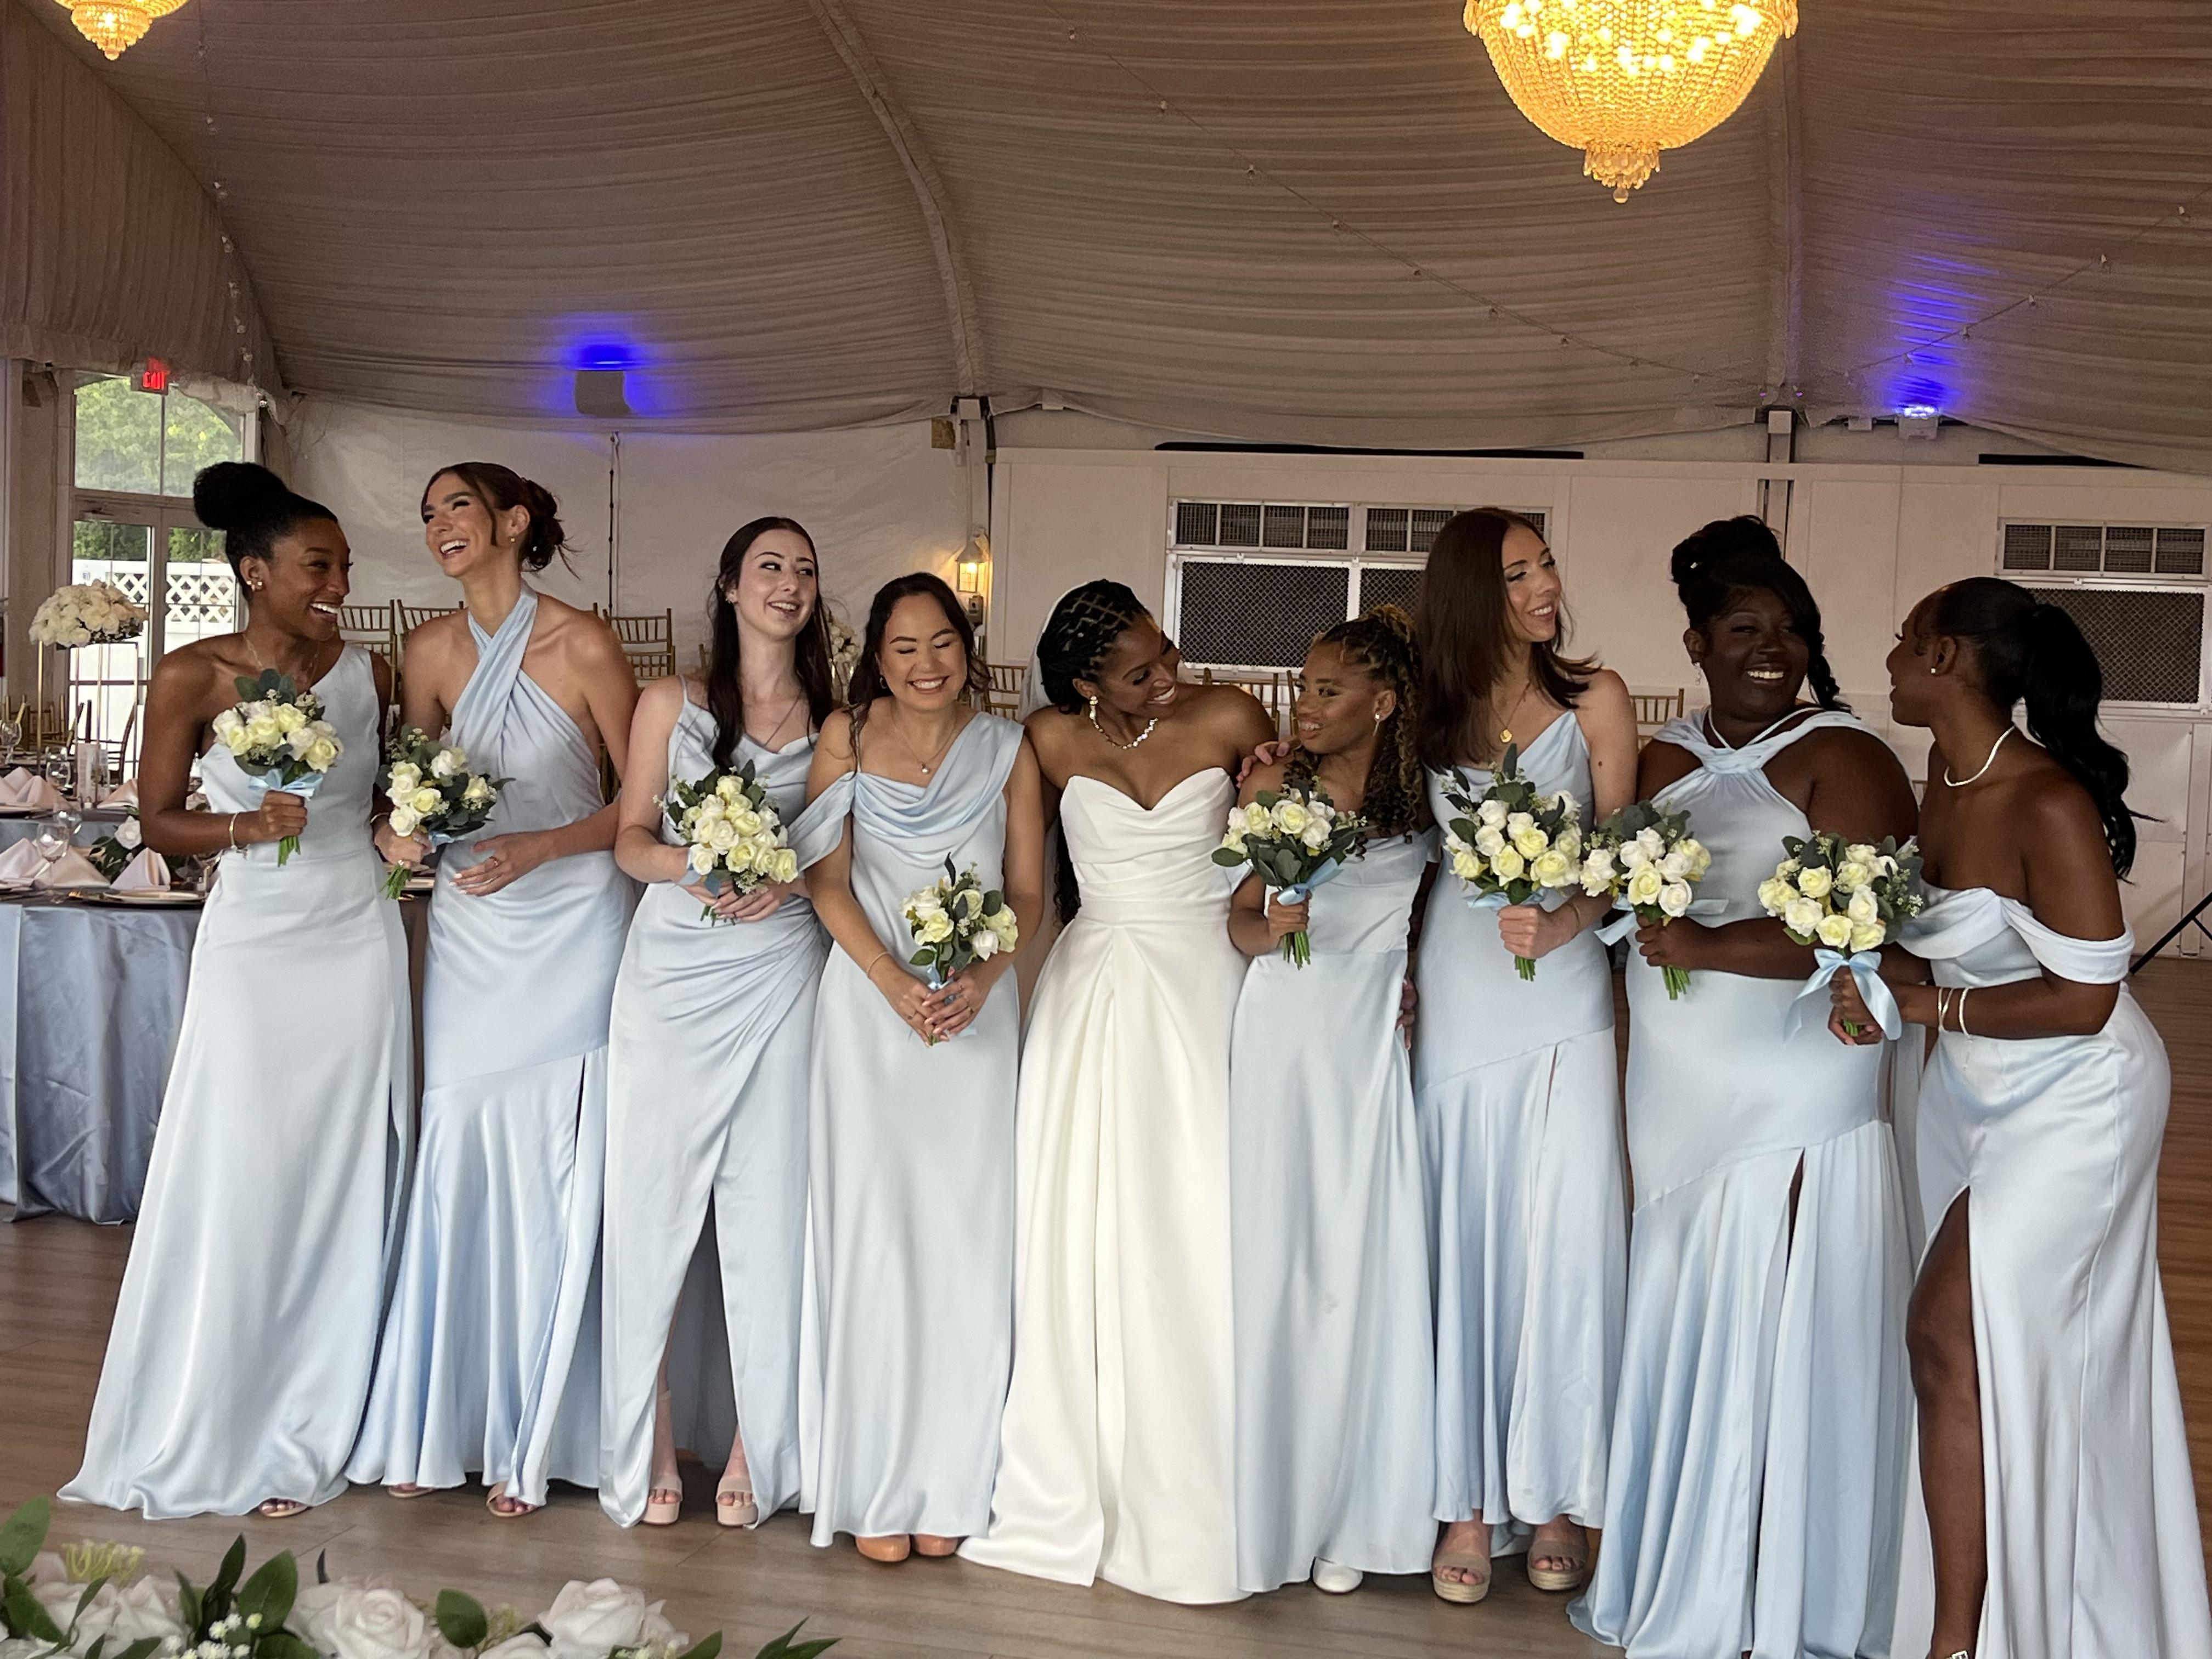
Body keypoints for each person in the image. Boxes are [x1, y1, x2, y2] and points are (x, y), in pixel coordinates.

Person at [1831, 577, 2212, 1659]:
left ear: (1947, 657)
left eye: (1905, 640)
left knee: (1944, 1333)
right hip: (1973, 1093)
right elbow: (1956, 947)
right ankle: (1984, 1618)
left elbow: (2087, 997)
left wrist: (1926, 1008)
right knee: (1974, 1351)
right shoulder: (1940, 779)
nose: (1890, 658)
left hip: (2081, 1097)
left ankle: (1964, 1637)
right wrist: (1869, 974)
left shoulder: (2046, 800)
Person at [1572, 518, 1919, 1656]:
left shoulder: (1847, 754)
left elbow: (1865, 929)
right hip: (1676, 1083)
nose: (1774, 648)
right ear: (1697, 642)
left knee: (1781, 1303)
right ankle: (1687, 1553)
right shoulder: (1661, 757)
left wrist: (1705, 945)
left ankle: (1782, 1581)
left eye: (1792, 631)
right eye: (1745, 628)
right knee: (1685, 1290)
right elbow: (1618, 893)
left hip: (1795, 1078)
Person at [64, 462, 409, 1519]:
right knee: (249, 1160)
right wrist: (245, 826)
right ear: (256, 572)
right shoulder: (192, 674)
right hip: (257, 940)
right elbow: (156, 822)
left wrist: (409, 822)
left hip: (358, 933)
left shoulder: (372, 673)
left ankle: (335, 1404)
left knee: (347, 1163)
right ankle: (229, 1398)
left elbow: (382, 797)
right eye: (319, 566)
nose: (339, 585)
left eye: (344, 567)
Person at [960, 581, 1276, 1604]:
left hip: (1207, 983)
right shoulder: (1046, 740)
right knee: (1084, 1221)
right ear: (1086, 683)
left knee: (1200, 1213)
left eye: (1167, 652)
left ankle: (1217, 1460)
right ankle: (1079, 1462)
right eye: (1140, 672)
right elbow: (1018, 875)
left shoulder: (1231, 716)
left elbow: (1285, 850)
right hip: (1092, 990)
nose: (1167, 676)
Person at [351, 464, 639, 1516]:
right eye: (428, 513)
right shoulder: (425, 651)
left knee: (558, 1150)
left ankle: (550, 1423)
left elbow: (642, 805)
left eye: (458, 507)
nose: (439, 525)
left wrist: (543, 846)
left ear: (515, 522)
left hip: (573, 917)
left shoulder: (587, 643)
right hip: (474, 924)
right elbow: (410, 785)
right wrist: (399, 830)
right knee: (463, 1135)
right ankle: (443, 1416)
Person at [792, 574, 1045, 1563]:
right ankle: (874, 1483)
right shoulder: (845, 737)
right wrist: (892, 981)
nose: (926, 664)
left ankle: (952, 1480)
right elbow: (824, 877)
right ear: (877, 657)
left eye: (942, 643)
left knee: (963, 1237)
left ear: (965, 648)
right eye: (904, 648)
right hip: (871, 1011)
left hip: (974, 1015)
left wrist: (984, 977)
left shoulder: (1010, 747)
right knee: (877, 1236)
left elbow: (1026, 892)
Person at [1412, 507, 1637, 1602]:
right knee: (1465, 1229)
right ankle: (1464, 1497)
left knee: (1565, 1231)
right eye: (1517, 573)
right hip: (1461, 988)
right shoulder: (1430, 714)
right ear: (1472, 593)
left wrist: (1563, 921)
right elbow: (1394, 844)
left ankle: (1555, 1494)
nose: (1546, 585)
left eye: (1546, 563)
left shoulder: (1599, 699)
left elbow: (1625, 855)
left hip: (1563, 983)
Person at [598, 518, 834, 1528]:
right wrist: (695, 865)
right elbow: (629, 841)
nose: (789, 583)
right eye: (769, 567)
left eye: (805, 570)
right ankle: (645, 1428)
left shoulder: (840, 723)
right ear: (731, 586)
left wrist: (788, 879)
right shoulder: (670, 702)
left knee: (770, 1204)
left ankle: (755, 1438)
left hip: (782, 970)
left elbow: (844, 860)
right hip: (672, 976)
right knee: (650, 1203)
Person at [1226, 607, 1437, 1598]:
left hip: (1371, 1037)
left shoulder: (1424, 797)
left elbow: (1441, 909)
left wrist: (1417, 977)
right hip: (1285, 1028)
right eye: (1302, 687)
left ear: (1384, 704)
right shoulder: (1272, 784)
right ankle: (1273, 1502)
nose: (1303, 707)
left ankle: (1356, 1504)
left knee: (1364, 1255)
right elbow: (1237, 924)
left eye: (1327, 690)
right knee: (1279, 1252)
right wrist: (1276, 924)